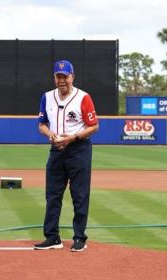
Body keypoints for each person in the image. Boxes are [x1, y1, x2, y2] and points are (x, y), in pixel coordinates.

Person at [34, 60, 99, 252]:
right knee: (52, 194)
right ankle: (52, 237)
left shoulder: (83, 97)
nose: (62, 80)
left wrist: (73, 138)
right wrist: (49, 134)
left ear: (72, 77)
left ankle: (79, 238)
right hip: (57, 149)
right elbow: (41, 124)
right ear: (54, 77)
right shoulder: (47, 97)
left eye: (65, 76)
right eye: (58, 76)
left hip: (78, 148)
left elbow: (94, 126)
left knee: (79, 195)